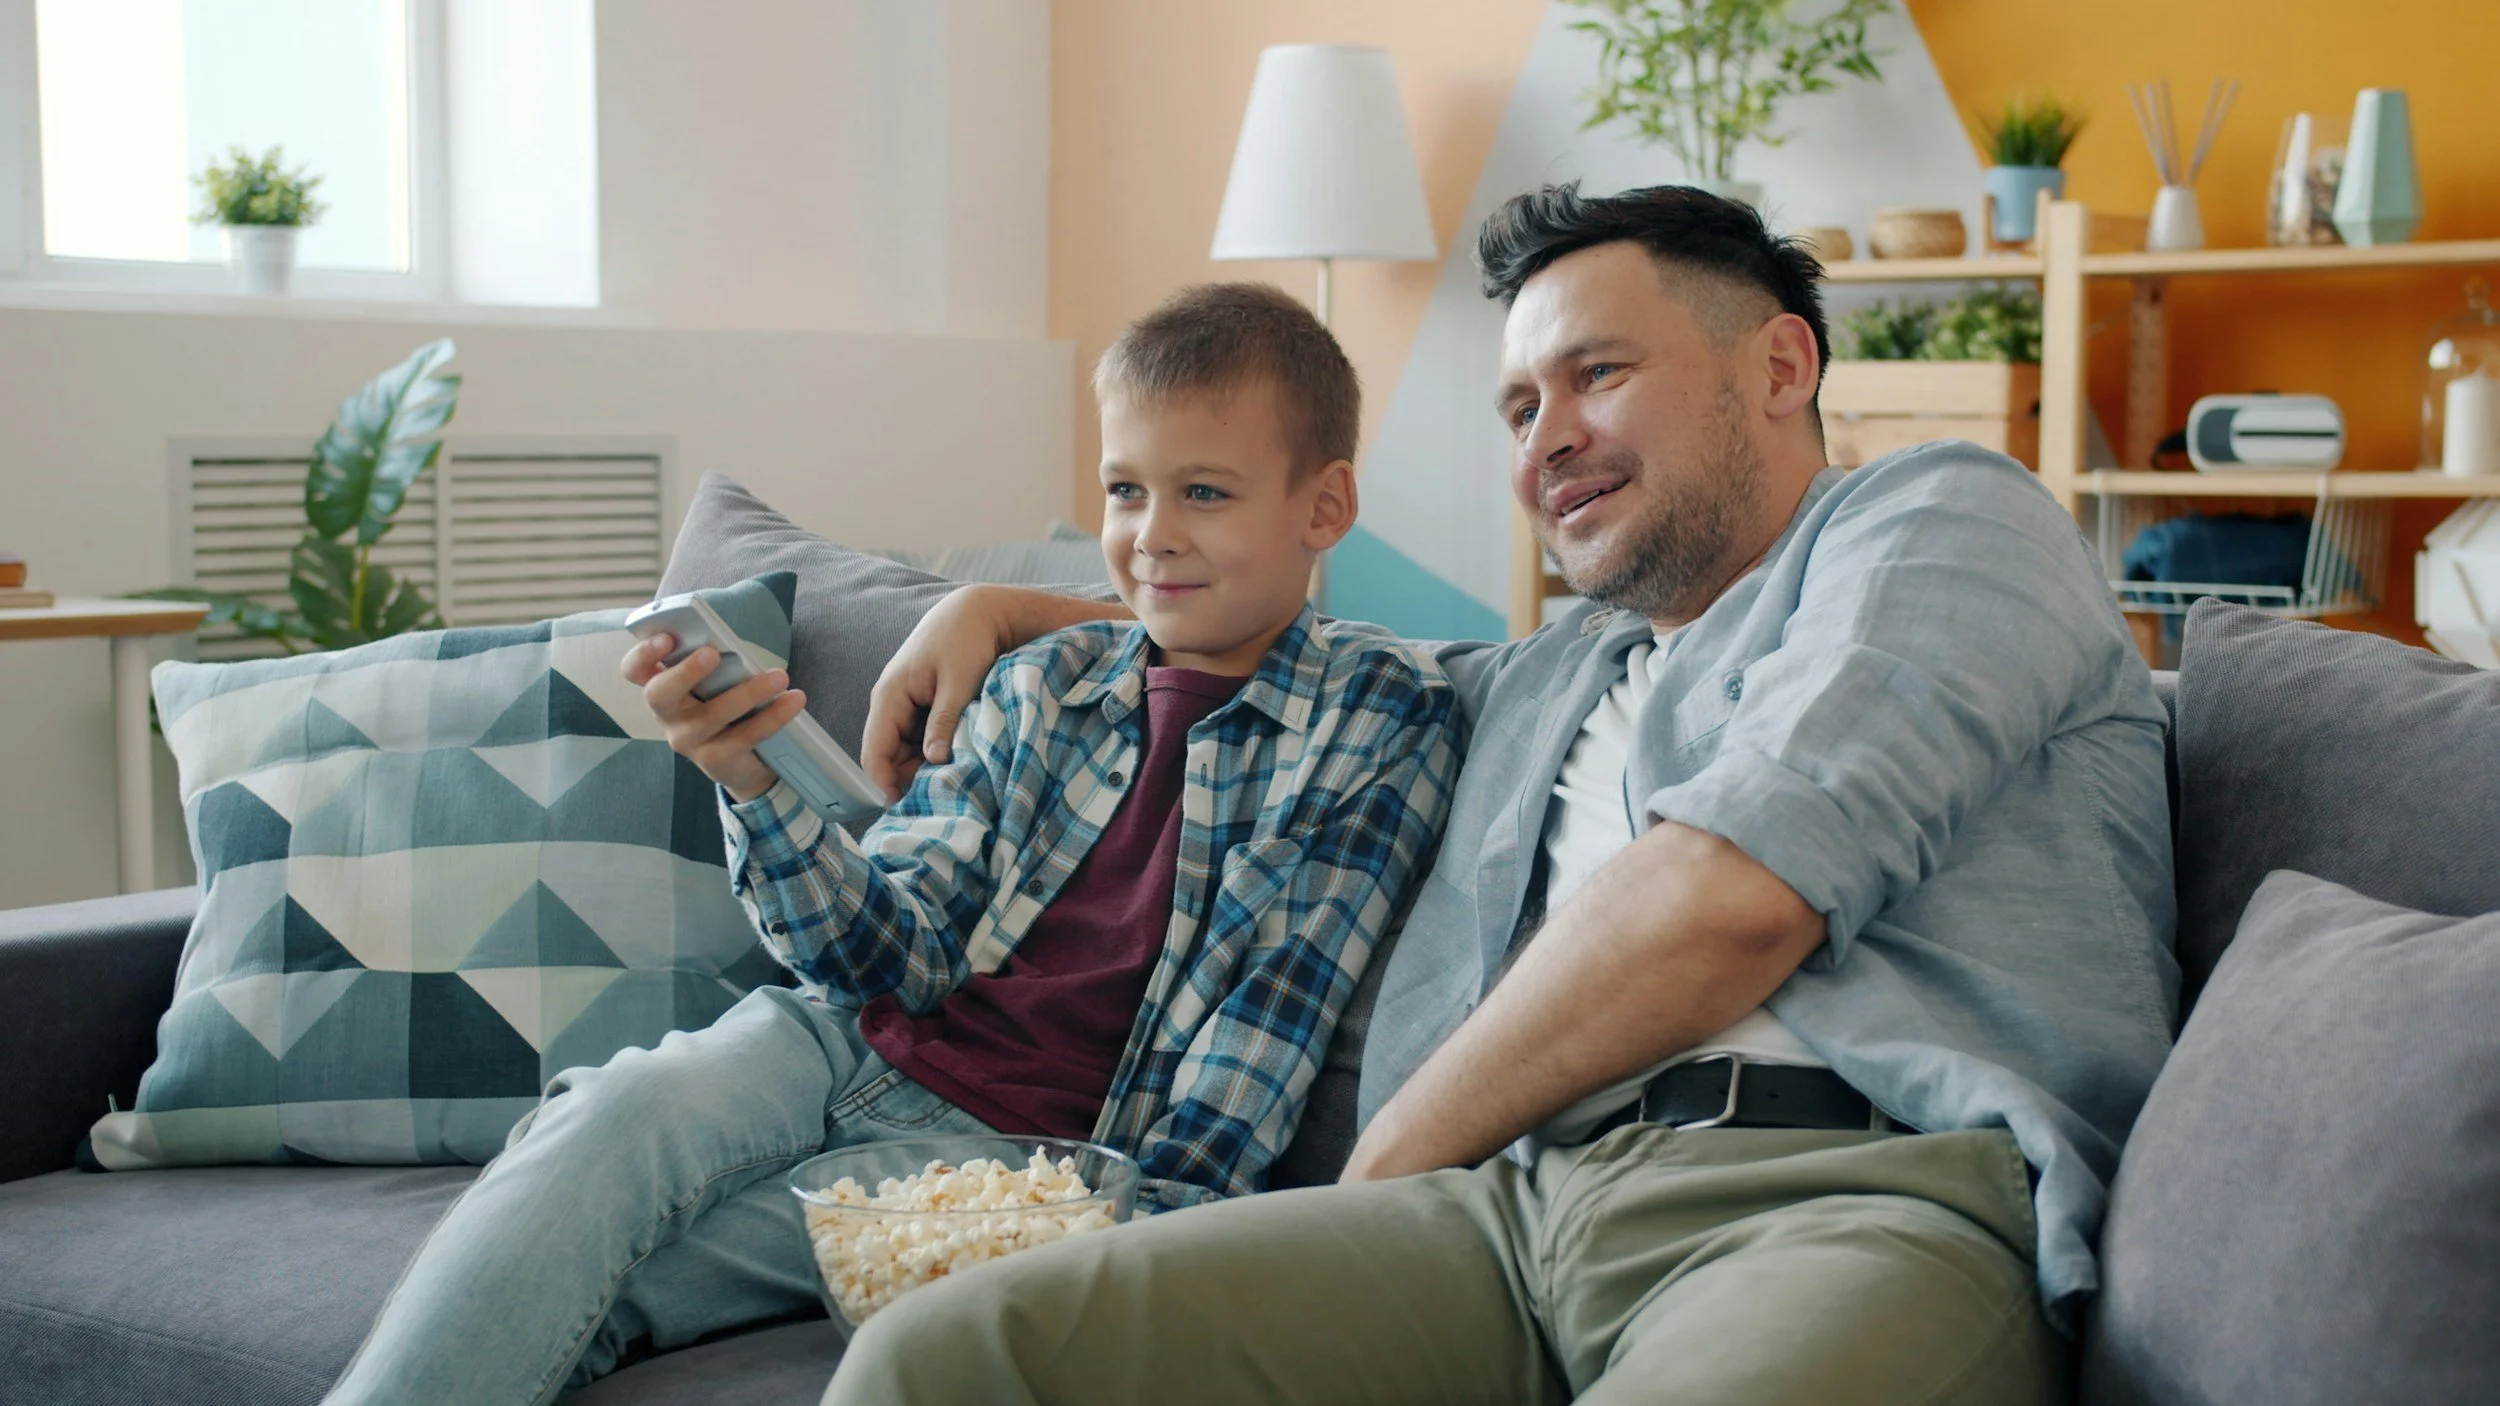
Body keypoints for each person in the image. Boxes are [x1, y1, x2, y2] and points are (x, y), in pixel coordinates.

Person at [826, 184, 2178, 1405]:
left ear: (1779, 365)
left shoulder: (1942, 519)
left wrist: (1379, 1171)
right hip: (1514, 1215)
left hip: (1846, 1196)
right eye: (1521, 408)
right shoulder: (1546, 677)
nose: (1549, 439)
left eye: (1598, 373)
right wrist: (1000, 608)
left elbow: (1731, 895)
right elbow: (1280, 642)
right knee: (934, 1361)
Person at [322, 282, 1463, 1405]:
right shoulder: (1040, 681)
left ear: (1323, 506)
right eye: (1124, 489)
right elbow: (885, 957)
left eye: (1204, 492)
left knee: (620, 1284)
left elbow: (1260, 1043)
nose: (1150, 536)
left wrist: (1133, 1252)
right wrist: (753, 778)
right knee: (598, 1125)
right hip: (831, 1042)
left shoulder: (1379, 717)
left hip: (1013, 1157)